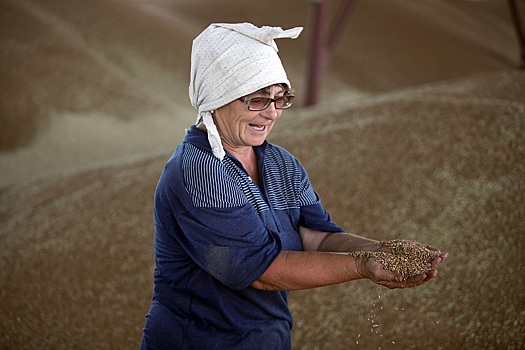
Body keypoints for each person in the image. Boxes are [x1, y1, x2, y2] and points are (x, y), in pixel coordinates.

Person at [140, 22, 447, 350]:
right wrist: (361, 265)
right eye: (257, 99)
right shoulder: (198, 173)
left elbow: (314, 235)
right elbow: (261, 272)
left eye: (279, 98)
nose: (272, 113)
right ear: (218, 95)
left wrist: (380, 250)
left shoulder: (280, 163)